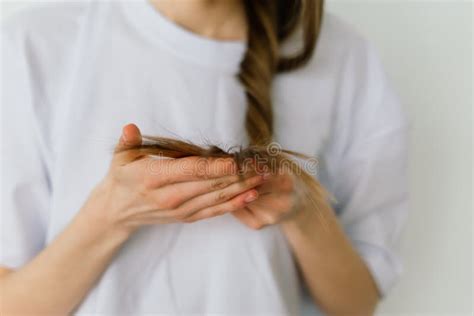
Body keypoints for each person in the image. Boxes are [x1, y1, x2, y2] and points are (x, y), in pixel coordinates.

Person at [0, 0, 409, 315]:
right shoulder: (34, 46)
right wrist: (111, 215)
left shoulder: (343, 58)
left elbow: (356, 304)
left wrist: (302, 212)